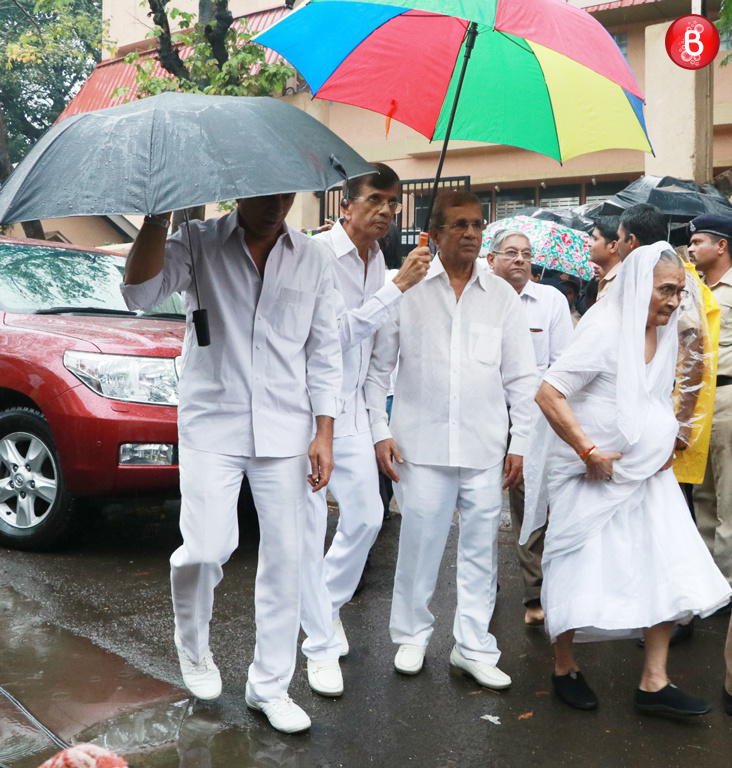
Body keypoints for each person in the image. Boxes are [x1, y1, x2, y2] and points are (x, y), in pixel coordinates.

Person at [121, 194, 343, 734]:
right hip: (212, 423)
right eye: (264, 193)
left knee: (290, 558)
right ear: (240, 188)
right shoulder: (198, 242)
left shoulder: (311, 257)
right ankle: (193, 645)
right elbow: (139, 295)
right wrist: (157, 218)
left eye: (285, 194)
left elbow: (325, 348)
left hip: (287, 428)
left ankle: (270, 685)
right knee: (206, 549)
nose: (276, 205)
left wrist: (324, 432)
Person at [523, 244, 731, 716]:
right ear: (639, 285)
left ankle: (654, 682)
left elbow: (663, 393)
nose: (675, 300)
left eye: (679, 291)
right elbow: (548, 392)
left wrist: (670, 439)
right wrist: (588, 451)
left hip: (647, 474)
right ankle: (564, 666)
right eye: (666, 290)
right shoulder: (603, 328)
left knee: (663, 562)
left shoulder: (666, 328)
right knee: (577, 566)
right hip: (590, 472)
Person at [365, 190, 538, 688]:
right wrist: (380, 431)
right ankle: (413, 636)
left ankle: (473, 646)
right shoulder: (408, 288)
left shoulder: (502, 296)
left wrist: (520, 442)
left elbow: (522, 380)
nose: (470, 232)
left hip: (485, 446)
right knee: (419, 543)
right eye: (458, 224)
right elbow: (379, 372)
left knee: (482, 548)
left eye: (478, 224)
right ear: (434, 233)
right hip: (420, 444)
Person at [300, 163, 431, 697]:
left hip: (352, 411)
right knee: (307, 530)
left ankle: (325, 611)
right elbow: (328, 339)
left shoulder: (378, 260)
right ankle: (318, 647)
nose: (386, 211)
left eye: (394, 203)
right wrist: (397, 288)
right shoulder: (315, 256)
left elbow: (377, 355)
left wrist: (379, 426)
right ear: (345, 205)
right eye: (375, 199)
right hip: (307, 411)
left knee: (367, 518)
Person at [487, 229, 573, 625]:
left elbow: (562, 364)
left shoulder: (550, 300)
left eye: (526, 254)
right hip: (483, 415)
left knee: (529, 501)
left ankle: (534, 595)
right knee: (480, 504)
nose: (520, 260)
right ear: (492, 259)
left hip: (532, 417)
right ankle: (483, 586)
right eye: (511, 253)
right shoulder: (477, 296)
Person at [687, 214, 732, 588]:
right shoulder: (693, 291)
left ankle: (727, 582)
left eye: (699, 240)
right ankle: (707, 582)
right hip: (697, 400)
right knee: (702, 495)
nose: (691, 247)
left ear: (721, 246)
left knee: (729, 495)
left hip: (729, 396)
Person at [589, 216, 620, 299]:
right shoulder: (608, 281)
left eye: (595, 239)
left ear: (613, 246)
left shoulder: (621, 284)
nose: (589, 243)